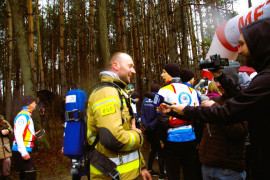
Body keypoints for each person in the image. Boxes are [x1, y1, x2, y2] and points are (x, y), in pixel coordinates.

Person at [159, 18, 270, 179]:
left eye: (242, 44)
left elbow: (227, 113)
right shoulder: (263, 79)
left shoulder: (265, 80)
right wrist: (220, 75)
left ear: (258, 44)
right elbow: (240, 95)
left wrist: (184, 109)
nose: (238, 51)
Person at [86, 52, 151, 180]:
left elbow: (128, 129)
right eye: (130, 66)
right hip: (111, 175)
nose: (133, 71)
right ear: (115, 66)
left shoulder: (118, 91)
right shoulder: (106, 93)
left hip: (127, 175)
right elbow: (113, 139)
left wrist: (141, 167)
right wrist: (139, 137)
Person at [200, 67, 248, 180]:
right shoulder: (219, 101)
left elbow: (239, 132)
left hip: (228, 170)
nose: (218, 85)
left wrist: (215, 109)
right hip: (208, 165)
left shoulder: (240, 102)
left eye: (221, 80)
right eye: (216, 81)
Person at [157, 66, 202, 180]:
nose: (162, 75)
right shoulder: (192, 90)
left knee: (173, 174)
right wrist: (198, 138)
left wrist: (162, 139)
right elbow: (198, 115)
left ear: (171, 73)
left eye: (164, 72)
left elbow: (160, 117)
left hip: (172, 139)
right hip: (191, 137)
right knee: (191, 173)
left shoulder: (163, 90)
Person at [12, 96, 43, 180]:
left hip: (23, 150)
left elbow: (24, 133)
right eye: (33, 102)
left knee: (25, 176)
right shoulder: (23, 116)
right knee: (30, 175)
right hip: (20, 150)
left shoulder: (27, 115)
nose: (35, 104)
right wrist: (23, 152)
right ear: (29, 104)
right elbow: (18, 133)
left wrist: (34, 135)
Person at [141, 84, 166, 179]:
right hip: (156, 129)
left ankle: (150, 169)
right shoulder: (157, 99)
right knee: (160, 151)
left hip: (148, 129)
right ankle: (162, 174)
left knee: (152, 150)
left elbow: (142, 113)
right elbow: (158, 115)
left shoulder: (145, 100)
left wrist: (145, 124)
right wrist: (151, 125)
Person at [0, 115, 13, 180]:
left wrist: (8, 131)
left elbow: (10, 129)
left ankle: (5, 176)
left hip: (5, 147)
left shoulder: (4, 121)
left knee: (7, 161)